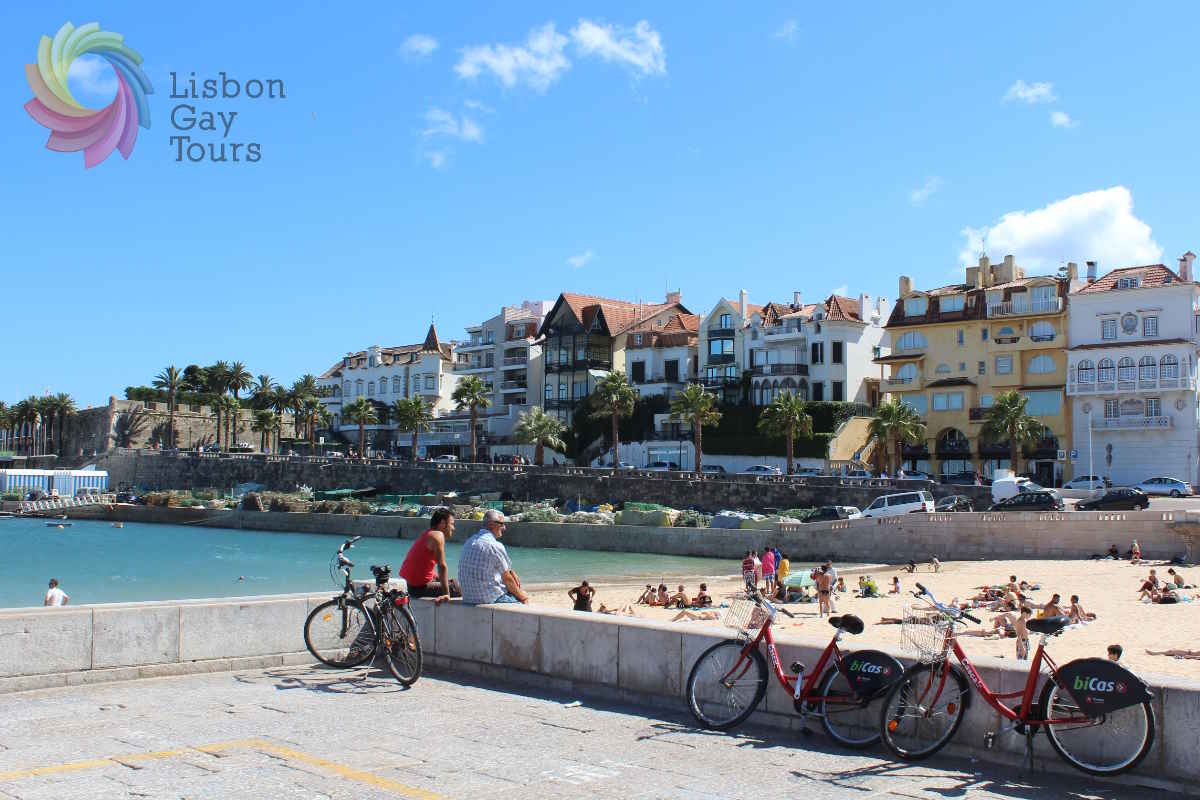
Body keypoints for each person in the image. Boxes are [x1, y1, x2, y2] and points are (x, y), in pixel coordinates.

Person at [458, 509, 529, 605]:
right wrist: (523, 597)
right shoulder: (494, 545)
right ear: (491, 524)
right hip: (488, 598)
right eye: (502, 524)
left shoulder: (469, 541)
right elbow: (507, 579)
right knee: (523, 597)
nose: (504, 528)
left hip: (468, 597)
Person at [398, 508, 461, 603]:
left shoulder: (428, 533)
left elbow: (422, 565)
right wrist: (446, 594)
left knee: (450, 581)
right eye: (452, 524)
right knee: (459, 587)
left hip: (412, 586)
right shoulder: (438, 535)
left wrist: (438, 578)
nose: (453, 528)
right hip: (418, 589)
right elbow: (442, 566)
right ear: (442, 523)